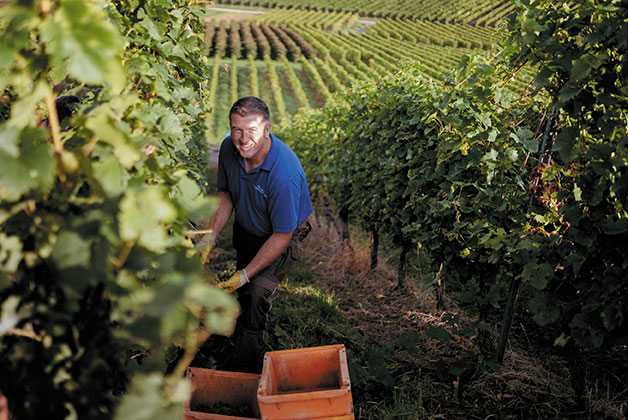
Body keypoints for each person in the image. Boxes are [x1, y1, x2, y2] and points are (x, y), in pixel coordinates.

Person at [197, 96, 312, 373]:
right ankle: (229, 338)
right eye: (237, 129)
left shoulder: (284, 174)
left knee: (256, 290)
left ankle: (245, 367)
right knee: (244, 283)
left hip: (281, 234)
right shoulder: (228, 149)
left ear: (267, 129)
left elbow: (282, 235)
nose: (243, 138)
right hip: (249, 225)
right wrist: (209, 238)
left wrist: (247, 275)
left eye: (252, 130)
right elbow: (224, 194)